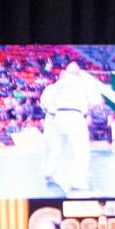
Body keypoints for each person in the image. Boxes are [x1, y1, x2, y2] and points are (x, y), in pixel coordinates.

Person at [40, 62, 102, 194]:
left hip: (58, 117)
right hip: (75, 116)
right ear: (78, 72)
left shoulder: (58, 84)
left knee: (60, 149)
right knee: (81, 151)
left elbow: (47, 102)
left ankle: (58, 176)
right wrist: (88, 106)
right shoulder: (83, 82)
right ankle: (77, 181)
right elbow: (96, 100)